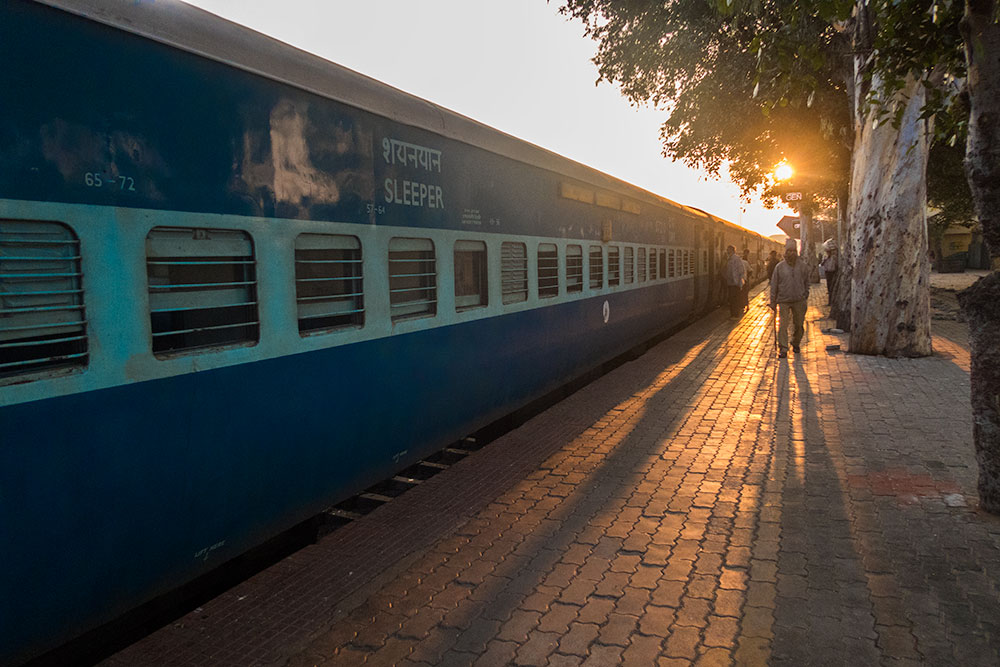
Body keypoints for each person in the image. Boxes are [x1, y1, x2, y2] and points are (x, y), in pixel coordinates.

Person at [769, 239, 810, 358]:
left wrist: (805, 294)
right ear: (785, 252)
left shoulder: (802, 266)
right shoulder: (779, 267)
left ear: (796, 252)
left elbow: (807, 281)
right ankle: (783, 348)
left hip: (799, 300)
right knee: (783, 325)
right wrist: (773, 301)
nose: (791, 253)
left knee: (799, 325)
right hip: (783, 300)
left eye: (793, 251)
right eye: (789, 251)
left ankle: (795, 342)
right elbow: (774, 285)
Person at [724, 245, 746, 318]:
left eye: (728, 250)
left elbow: (741, 271)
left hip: (735, 283)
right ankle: (733, 314)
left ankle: (735, 314)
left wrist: (740, 283)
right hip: (730, 283)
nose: (727, 251)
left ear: (733, 250)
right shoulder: (729, 259)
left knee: (735, 299)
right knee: (732, 299)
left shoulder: (736, 259)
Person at [740, 248, 753, 313]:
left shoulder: (743, 261)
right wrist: (747, 277)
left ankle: (743, 305)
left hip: (741, 280)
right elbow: (750, 270)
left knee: (742, 293)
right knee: (745, 293)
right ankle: (746, 305)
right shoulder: (745, 261)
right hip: (744, 280)